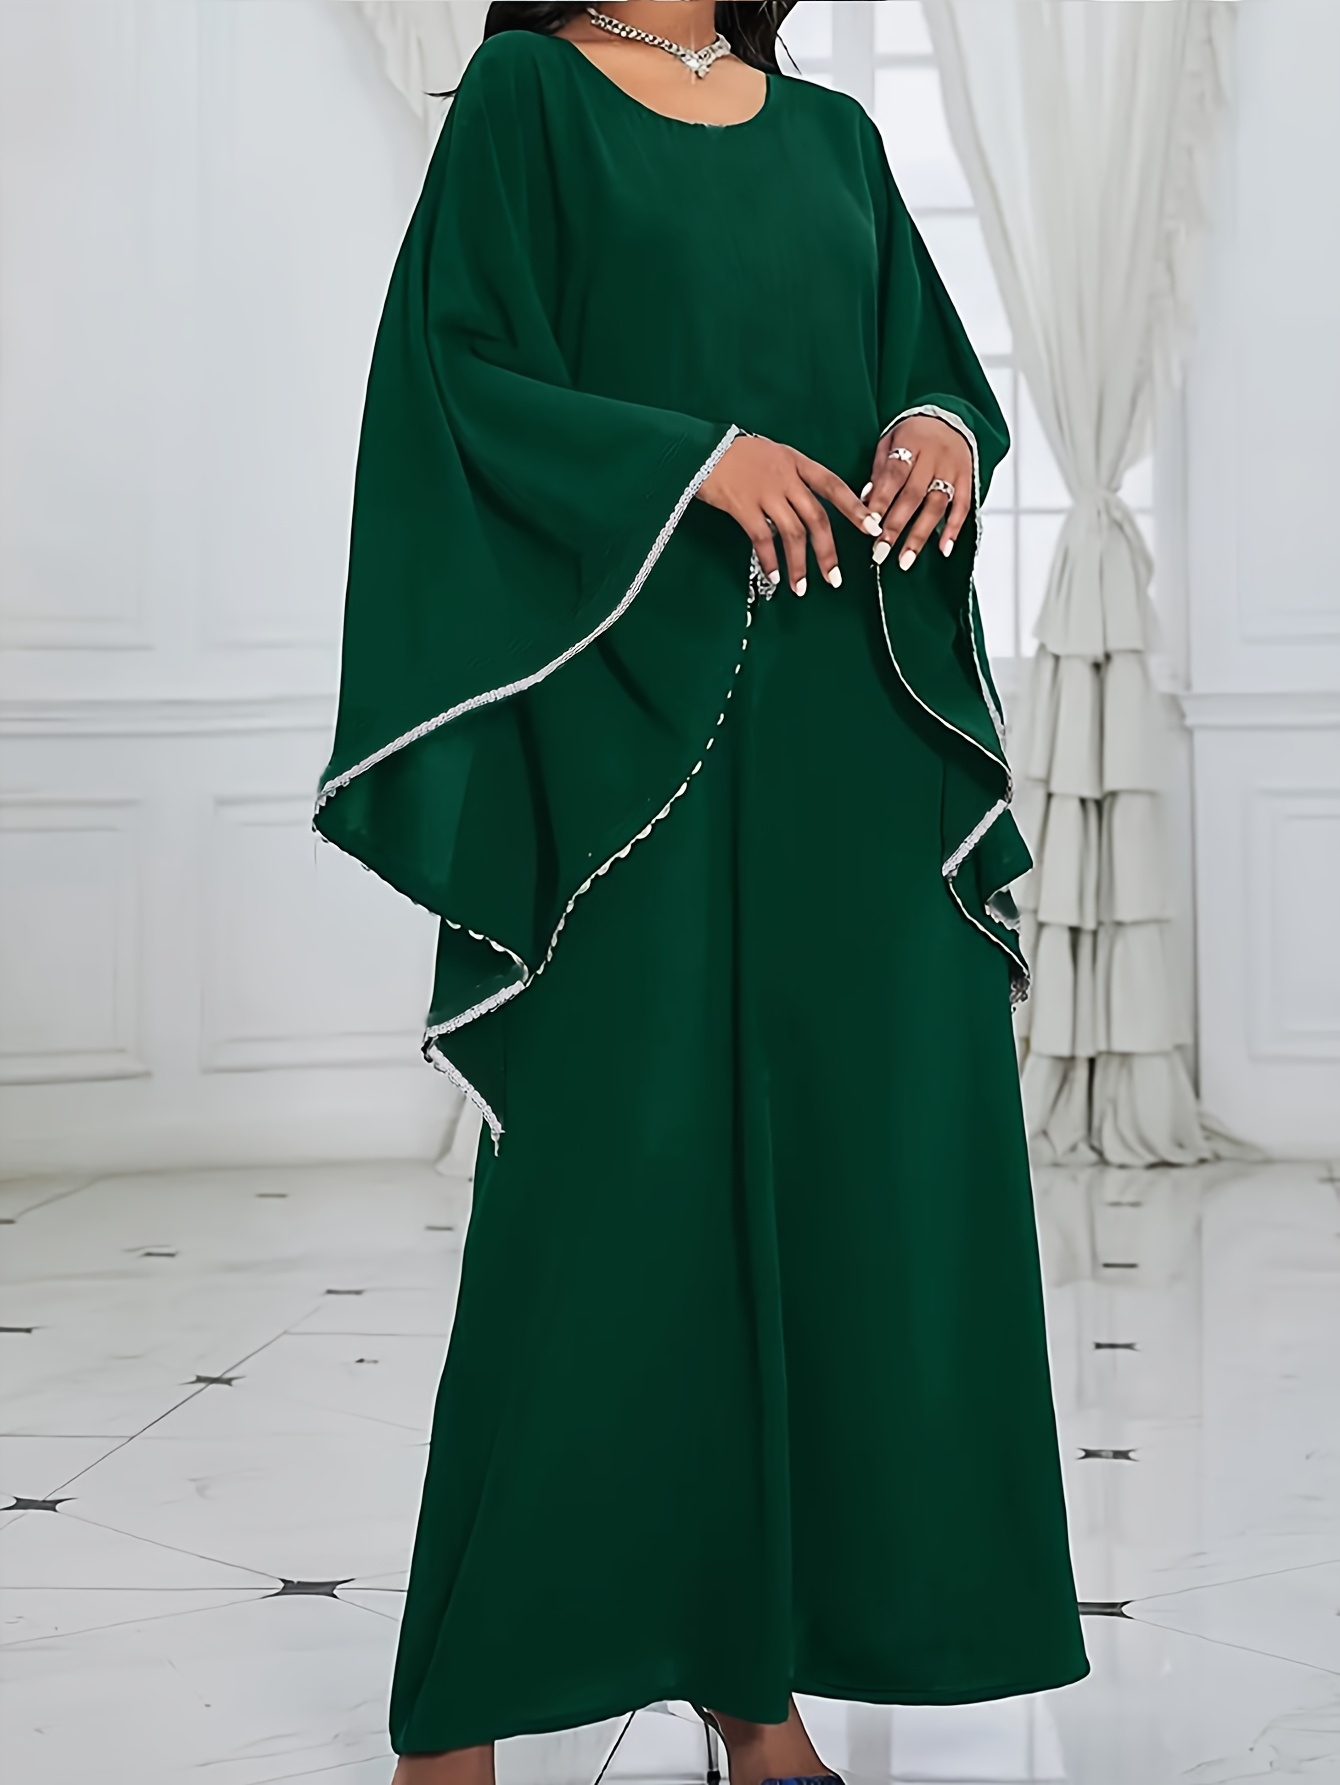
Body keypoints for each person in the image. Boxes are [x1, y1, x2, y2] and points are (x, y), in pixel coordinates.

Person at [314, 4, 1089, 1781]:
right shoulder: (524, 97)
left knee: (841, 1203)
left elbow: (930, 371)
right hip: (629, 751)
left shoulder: (832, 138)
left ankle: (758, 1690)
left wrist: (941, 430)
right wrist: (694, 460)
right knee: (598, 1207)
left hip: (855, 742)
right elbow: (455, 376)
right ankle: (457, 1716)